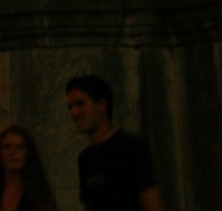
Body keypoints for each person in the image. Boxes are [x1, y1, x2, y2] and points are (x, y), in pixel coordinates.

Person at [65, 74, 164, 211]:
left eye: (80, 104)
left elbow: (152, 204)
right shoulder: (85, 159)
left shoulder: (131, 148)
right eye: (70, 107)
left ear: (101, 104)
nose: (74, 113)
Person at [0, 125, 56, 211]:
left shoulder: (39, 195)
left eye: (19, 147)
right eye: (6, 147)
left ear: (27, 153)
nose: (12, 152)